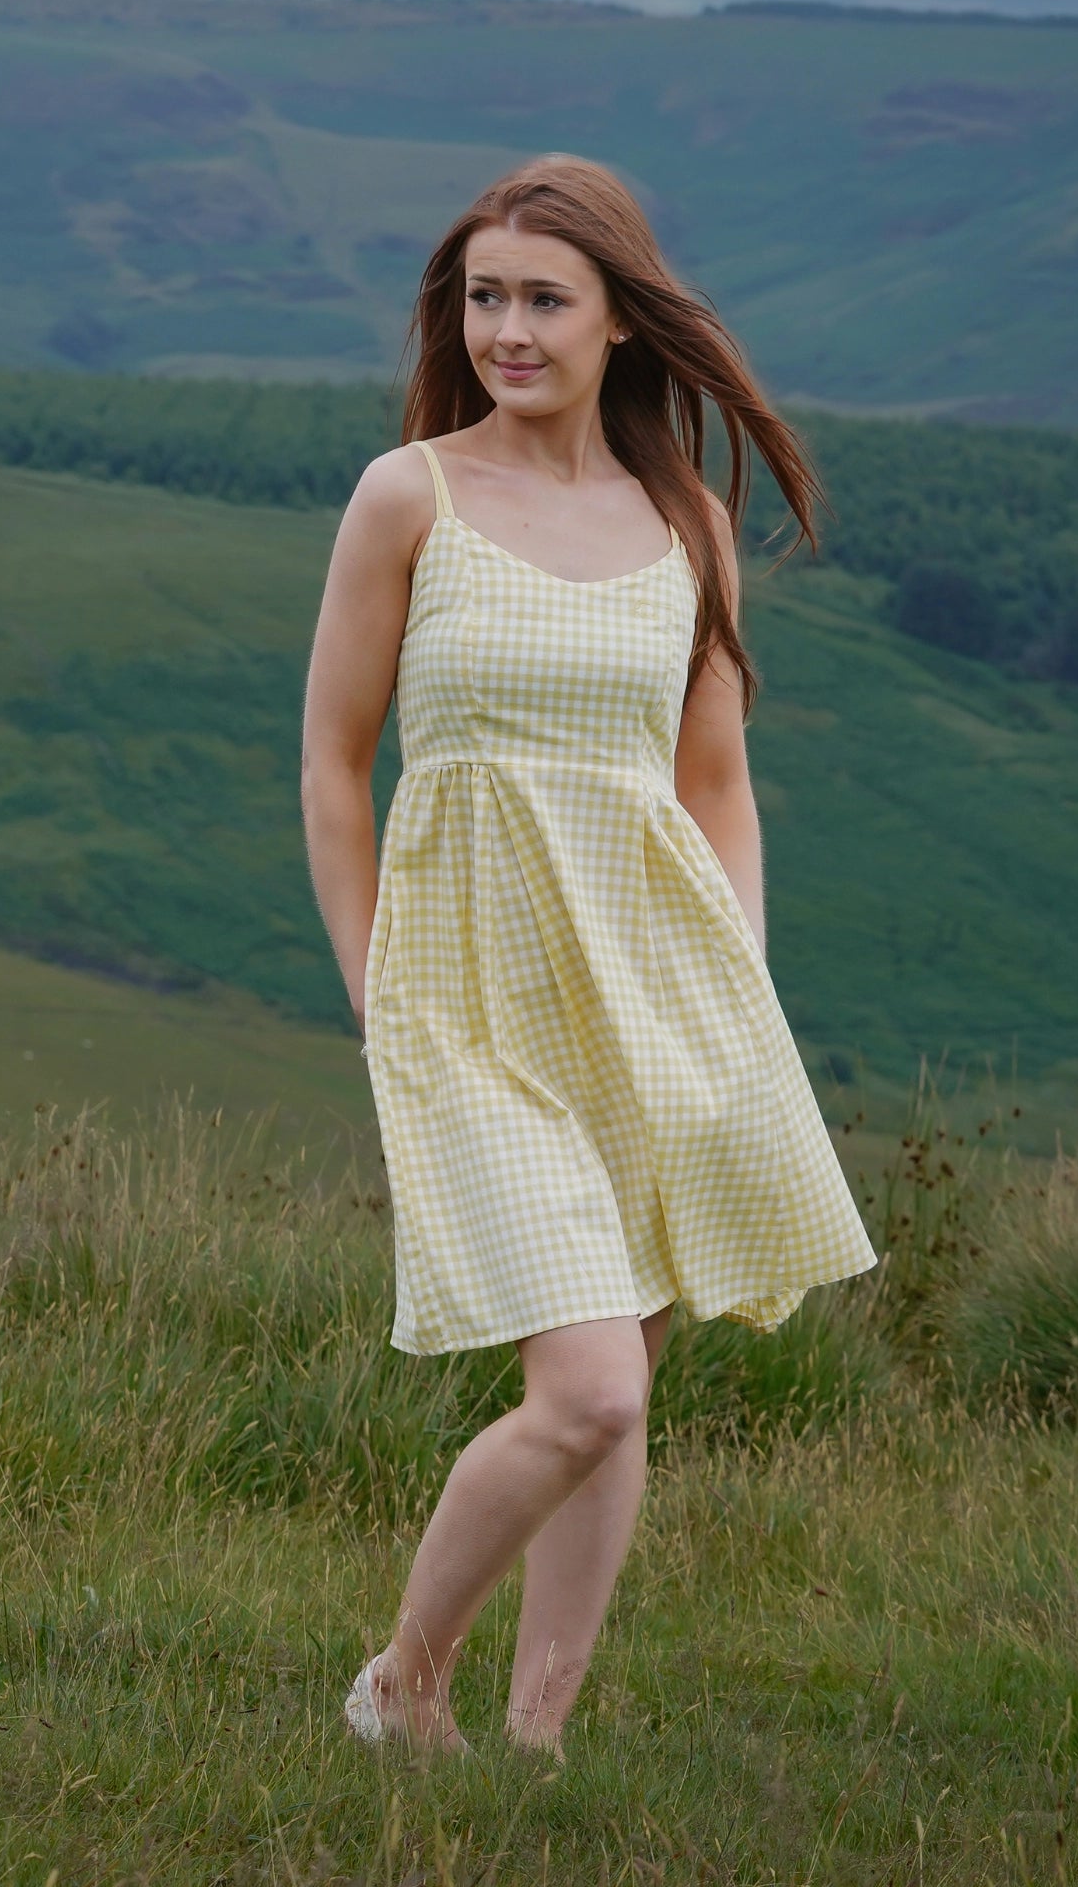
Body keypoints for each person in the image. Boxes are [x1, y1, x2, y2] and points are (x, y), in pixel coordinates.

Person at [299, 153, 876, 1757]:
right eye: (484, 297)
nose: (508, 330)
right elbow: (334, 769)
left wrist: (741, 1003)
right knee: (593, 1390)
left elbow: (718, 787)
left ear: (623, 320)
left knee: (622, 1361)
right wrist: (373, 991)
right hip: (466, 1004)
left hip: (661, 997)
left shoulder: (686, 524)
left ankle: (538, 1736)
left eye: (544, 300)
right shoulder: (408, 496)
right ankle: (405, 1685)